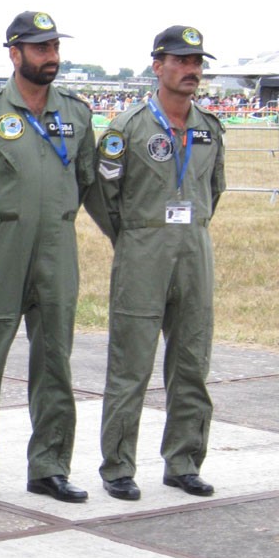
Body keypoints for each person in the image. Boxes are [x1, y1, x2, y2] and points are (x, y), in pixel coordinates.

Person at [0, 11, 97, 506]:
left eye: (54, 47)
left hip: (57, 247)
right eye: (39, 48)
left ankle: (50, 467)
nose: (50, 57)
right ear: (15, 54)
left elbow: (85, 179)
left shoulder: (76, 113)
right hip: (1, 248)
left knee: (55, 358)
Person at [84, 26, 225, 500]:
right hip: (142, 250)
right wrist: (132, 236)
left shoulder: (208, 126)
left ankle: (183, 461)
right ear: (157, 64)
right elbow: (104, 194)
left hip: (194, 251)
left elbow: (214, 189)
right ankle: (118, 466)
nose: (192, 71)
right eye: (181, 61)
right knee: (131, 364)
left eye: (197, 62)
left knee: (192, 360)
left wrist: (188, 227)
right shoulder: (129, 127)